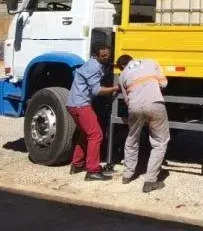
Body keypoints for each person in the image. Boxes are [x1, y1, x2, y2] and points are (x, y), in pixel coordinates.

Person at [115, 54, 170, 193]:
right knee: (159, 142)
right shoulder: (151, 62)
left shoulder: (122, 76)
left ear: (122, 66)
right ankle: (150, 181)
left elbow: (127, 99)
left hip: (135, 107)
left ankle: (127, 175)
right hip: (155, 103)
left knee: (132, 138)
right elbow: (164, 83)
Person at [66, 40, 120, 180]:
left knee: (85, 134)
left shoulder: (92, 63)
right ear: (96, 56)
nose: (107, 57)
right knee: (96, 135)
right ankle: (92, 170)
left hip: (73, 104)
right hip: (81, 105)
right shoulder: (94, 67)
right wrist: (115, 89)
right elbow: (96, 90)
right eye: (103, 56)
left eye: (108, 55)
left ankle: (77, 165)